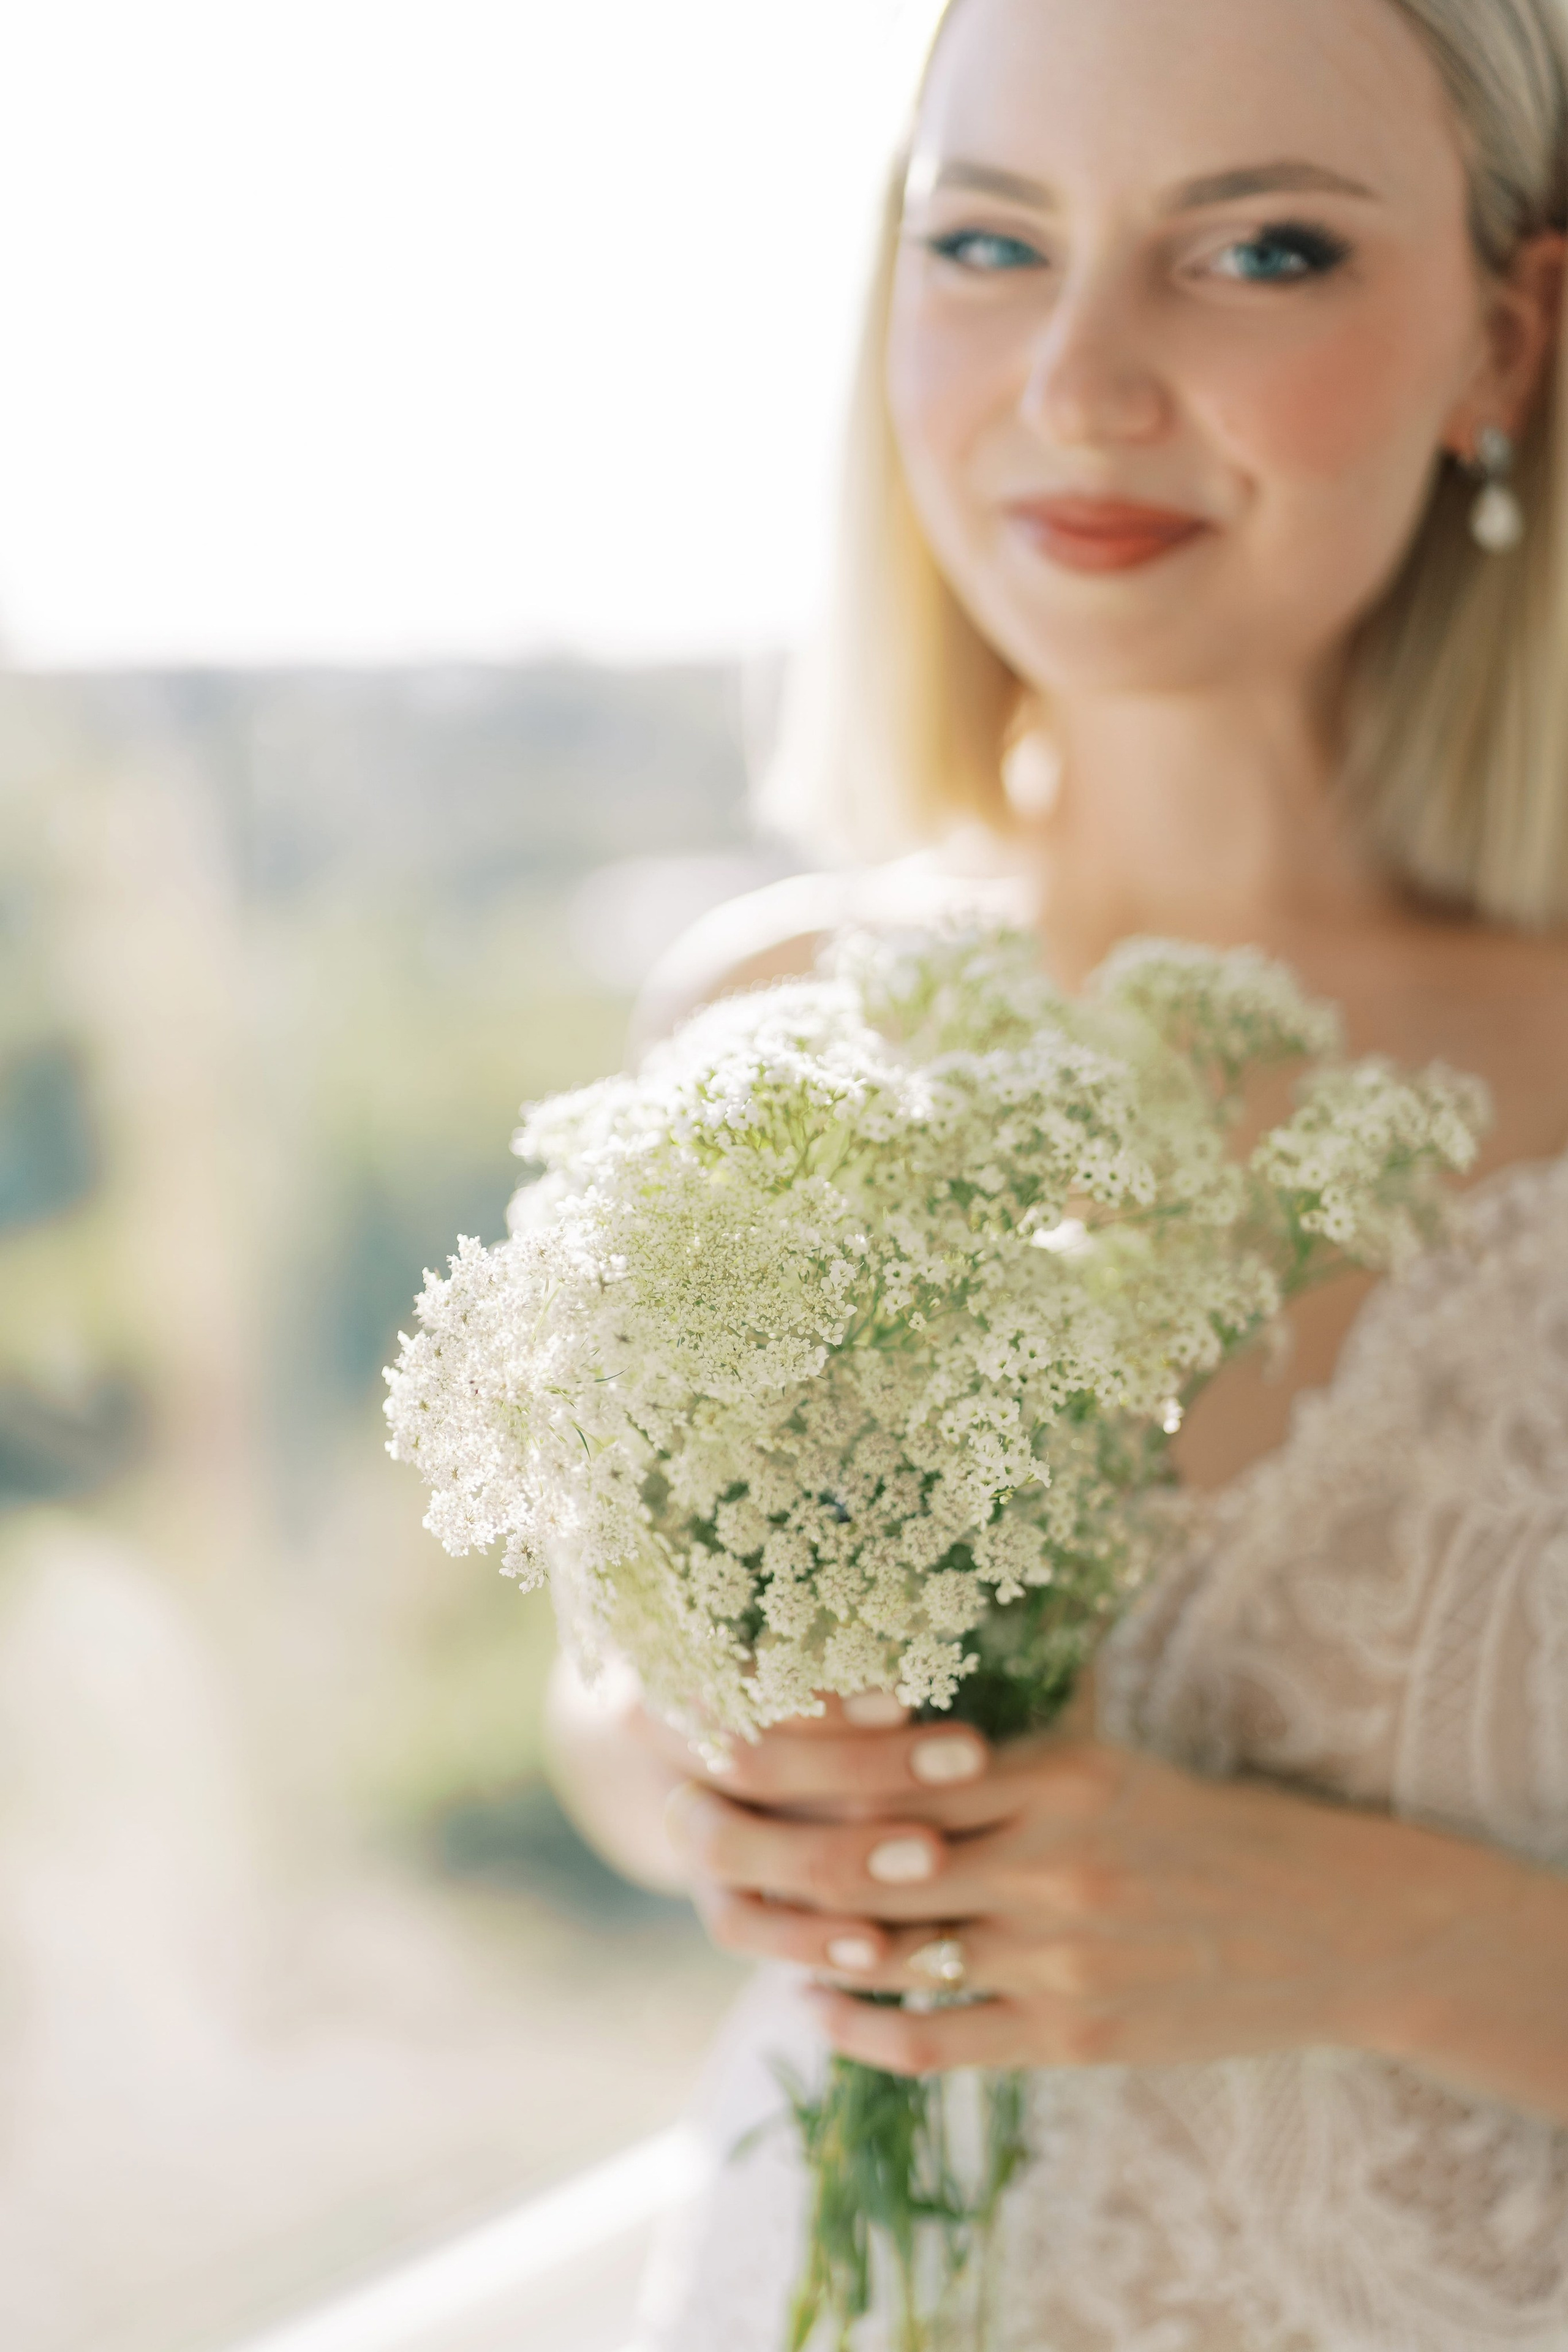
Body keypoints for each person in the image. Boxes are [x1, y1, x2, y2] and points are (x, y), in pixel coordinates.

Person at [548, 0, 1568, 2342]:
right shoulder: (770, 1025)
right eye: (991, 240)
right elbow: (610, 1704)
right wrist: (703, 1773)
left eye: (1267, 251)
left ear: (1505, 340)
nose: (1084, 383)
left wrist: (1385, 1931)